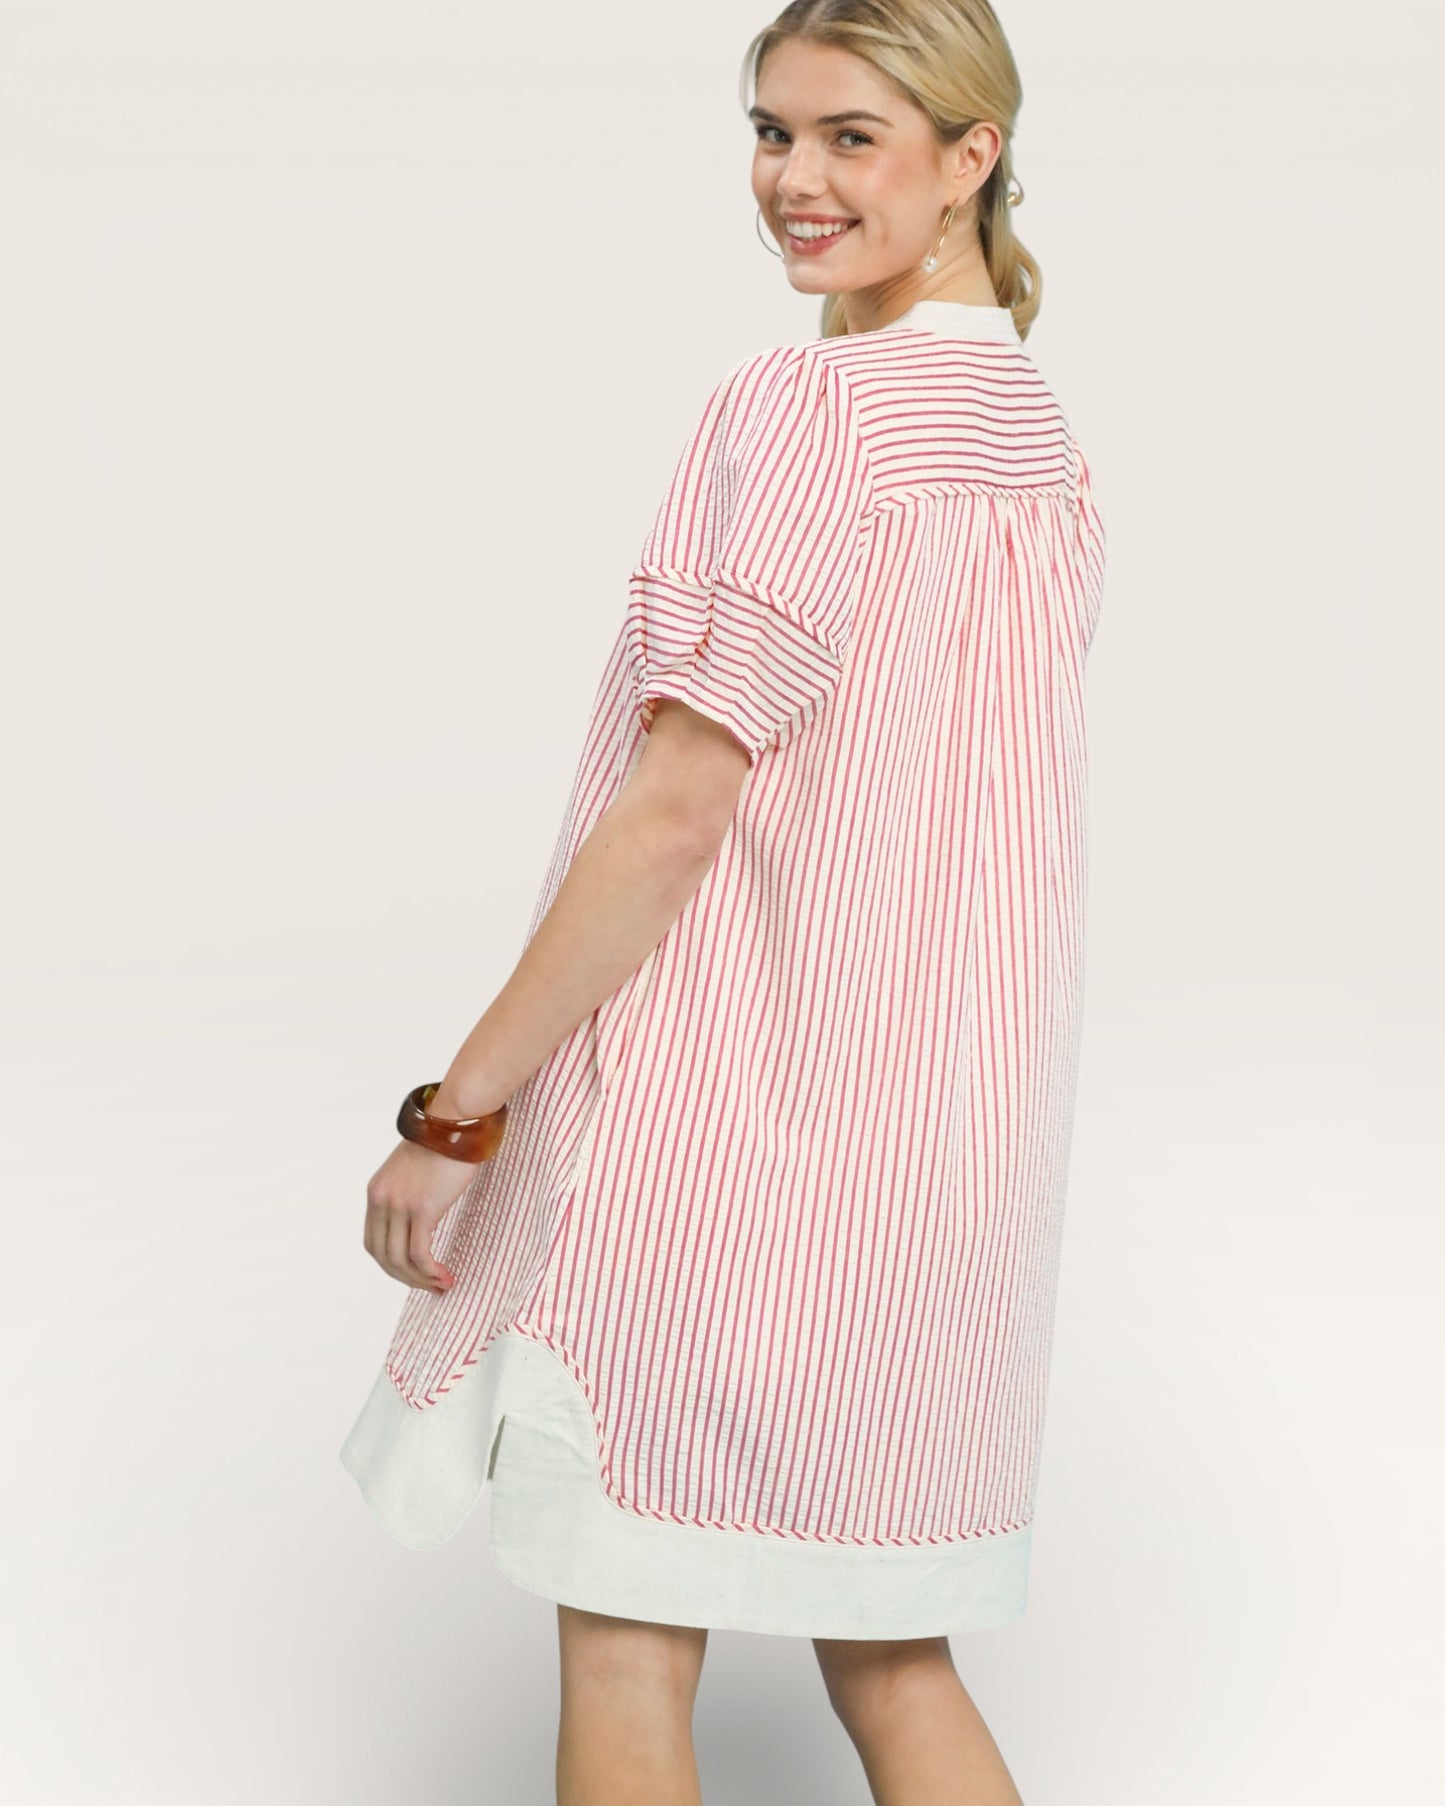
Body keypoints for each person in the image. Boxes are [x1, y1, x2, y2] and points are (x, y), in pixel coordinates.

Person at [341, 2, 1107, 1801]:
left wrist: (459, 1112)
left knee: (626, 1638)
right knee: (892, 1656)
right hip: (940, 1161)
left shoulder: (809, 412)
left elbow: (679, 808)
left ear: (970, 155)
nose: (792, 181)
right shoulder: (1033, 434)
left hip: (727, 1135)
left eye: (850, 136)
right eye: (771, 132)